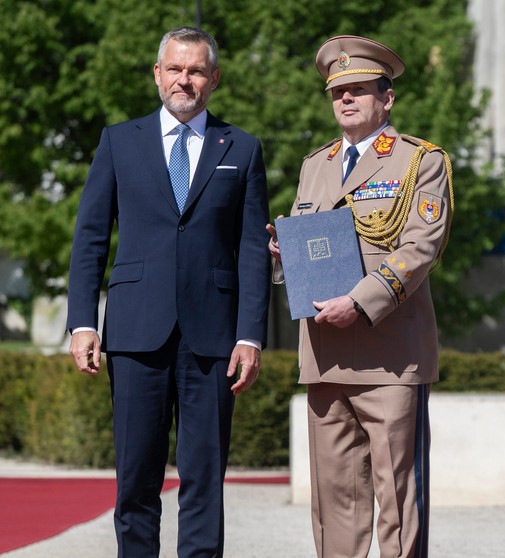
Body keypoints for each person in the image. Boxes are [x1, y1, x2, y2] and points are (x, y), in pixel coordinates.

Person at [66, 26, 271, 557]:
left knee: (205, 480)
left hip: (214, 340)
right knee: (136, 480)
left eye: (197, 70)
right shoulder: (119, 141)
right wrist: (83, 321)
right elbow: (91, 235)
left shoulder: (242, 149)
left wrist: (251, 333)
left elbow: (251, 248)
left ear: (214, 79)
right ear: (157, 74)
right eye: (176, 69)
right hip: (136, 332)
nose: (186, 80)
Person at [266, 35, 453, 558]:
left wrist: (362, 301)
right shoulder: (315, 165)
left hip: (391, 358)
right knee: (334, 506)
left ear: (386, 99)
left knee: (399, 498)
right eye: (337, 92)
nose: (345, 100)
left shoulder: (421, 161)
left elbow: (420, 247)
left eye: (358, 90)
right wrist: (284, 256)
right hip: (325, 359)